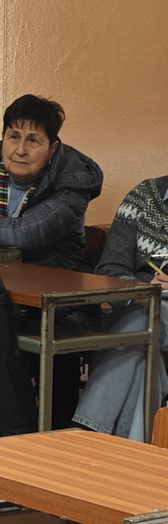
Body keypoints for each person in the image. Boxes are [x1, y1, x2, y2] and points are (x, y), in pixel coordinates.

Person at [0, 94, 102, 271]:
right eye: (14, 137)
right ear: (3, 138)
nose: (21, 150)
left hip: (52, 278)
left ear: (52, 148)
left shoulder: (74, 180)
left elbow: (24, 233)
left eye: (33, 140)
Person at [73, 175, 168, 441]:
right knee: (143, 349)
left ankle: (87, 435)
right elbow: (110, 268)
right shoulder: (144, 195)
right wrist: (144, 287)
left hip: (146, 314)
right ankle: (135, 451)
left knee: (137, 327)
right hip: (144, 303)